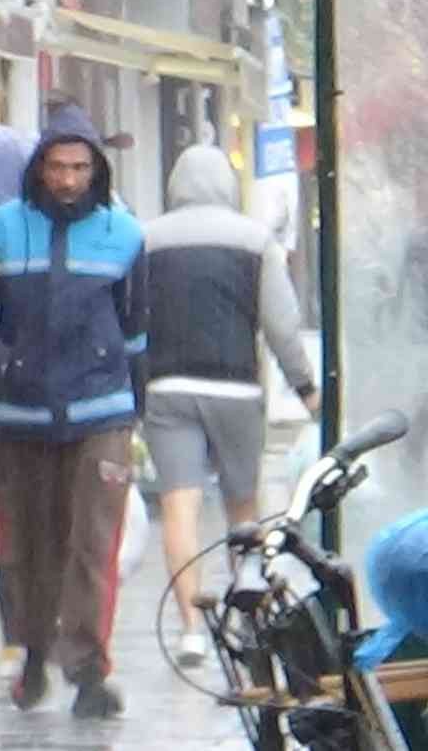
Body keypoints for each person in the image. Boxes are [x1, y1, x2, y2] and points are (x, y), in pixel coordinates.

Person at [0, 105, 147, 720]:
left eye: (80, 168)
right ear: (39, 169)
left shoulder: (126, 235)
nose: (67, 179)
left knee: (93, 544)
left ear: (97, 171)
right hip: (21, 416)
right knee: (26, 548)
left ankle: (89, 670)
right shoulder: (2, 229)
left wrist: (137, 411)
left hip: (102, 412)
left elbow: (139, 331)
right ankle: (32, 654)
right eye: (58, 167)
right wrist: (0, 359)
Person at [143, 143, 319, 666]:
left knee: (180, 507)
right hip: (237, 390)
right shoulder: (255, 240)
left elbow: (131, 320)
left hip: (167, 388)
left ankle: (191, 628)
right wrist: (305, 386)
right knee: (243, 506)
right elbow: (281, 326)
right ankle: (245, 613)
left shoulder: (147, 241)